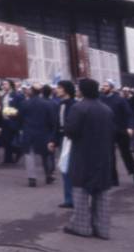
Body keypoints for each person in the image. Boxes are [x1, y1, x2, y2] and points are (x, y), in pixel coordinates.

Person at [63, 79, 115, 240]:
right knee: (102, 194)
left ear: (84, 90)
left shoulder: (79, 108)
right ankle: (103, 228)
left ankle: (82, 227)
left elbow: (71, 131)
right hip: (104, 155)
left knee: (80, 192)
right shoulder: (107, 109)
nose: (77, 90)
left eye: (79, 88)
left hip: (83, 155)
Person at [100, 81, 134, 185]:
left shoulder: (120, 100)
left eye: (106, 86)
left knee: (126, 153)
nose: (103, 87)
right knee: (110, 155)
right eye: (103, 86)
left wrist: (130, 127)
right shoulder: (101, 99)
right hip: (108, 131)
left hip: (121, 130)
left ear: (112, 88)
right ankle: (114, 179)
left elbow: (129, 114)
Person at [18, 84, 56, 187]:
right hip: (44, 132)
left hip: (29, 132)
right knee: (46, 155)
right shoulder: (47, 104)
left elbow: (20, 118)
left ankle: (32, 178)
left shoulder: (25, 103)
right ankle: (48, 175)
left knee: (29, 155)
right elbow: (51, 120)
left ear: (32, 91)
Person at [54, 80, 77, 208]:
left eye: (59, 88)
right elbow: (56, 124)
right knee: (64, 167)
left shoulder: (74, 105)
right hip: (62, 138)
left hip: (71, 139)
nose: (57, 90)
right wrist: (53, 140)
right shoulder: (60, 104)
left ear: (66, 90)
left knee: (70, 167)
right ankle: (69, 198)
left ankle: (74, 197)